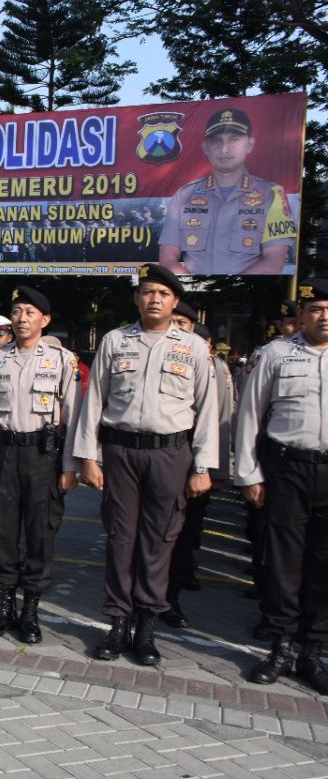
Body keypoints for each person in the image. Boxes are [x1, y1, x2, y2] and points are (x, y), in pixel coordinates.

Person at [71, 264, 218, 665]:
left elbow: (207, 410)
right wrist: (88, 456)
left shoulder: (192, 348)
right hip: (120, 453)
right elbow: (94, 401)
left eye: (163, 294)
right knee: (120, 538)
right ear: (137, 298)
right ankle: (118, 623)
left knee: (159, 540)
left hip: (171, 454)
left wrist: (203, 466)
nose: (155, 299)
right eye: (148, 292)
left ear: (175, 302)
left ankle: (147, 625)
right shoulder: (116, 341)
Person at [0, 286, 79, 644]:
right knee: (2, 531)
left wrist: (71, 466)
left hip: (43, 456)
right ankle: (5, 607)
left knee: (39, 533)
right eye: (16, 311)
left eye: (30, 312)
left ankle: (31, 611)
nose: (22, 318)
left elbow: (75, 416)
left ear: (45, 320)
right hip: (3, 453)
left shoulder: (63, 360)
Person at [236, 278, 328, 695]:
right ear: (301, 316)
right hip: (287, 469)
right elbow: (250, 417)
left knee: (323, 566)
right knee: (283, 562)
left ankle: (314, 649)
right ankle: (281, 645)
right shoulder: (275, 354)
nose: (323, 317)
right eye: (316, 309)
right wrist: (250, 474)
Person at [159, 108, 297, 275]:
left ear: (250, 144)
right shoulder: (184, 196)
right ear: (205, 147)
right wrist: (193, 288)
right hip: (193, 293)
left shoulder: (272, 195)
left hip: (247, 295)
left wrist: (229, 289)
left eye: (234, 139)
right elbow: (168, 259)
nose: (224, 149)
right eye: (216, 141)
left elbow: (273, 262)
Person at [164, 319, 234, 628]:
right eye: (173, 321)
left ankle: (171, 597)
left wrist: (215, 468)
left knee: (184, 532)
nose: (176, 327)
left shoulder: (209, 364)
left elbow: (222, 418)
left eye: (183, 322)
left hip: (194, 462)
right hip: (158, 457)